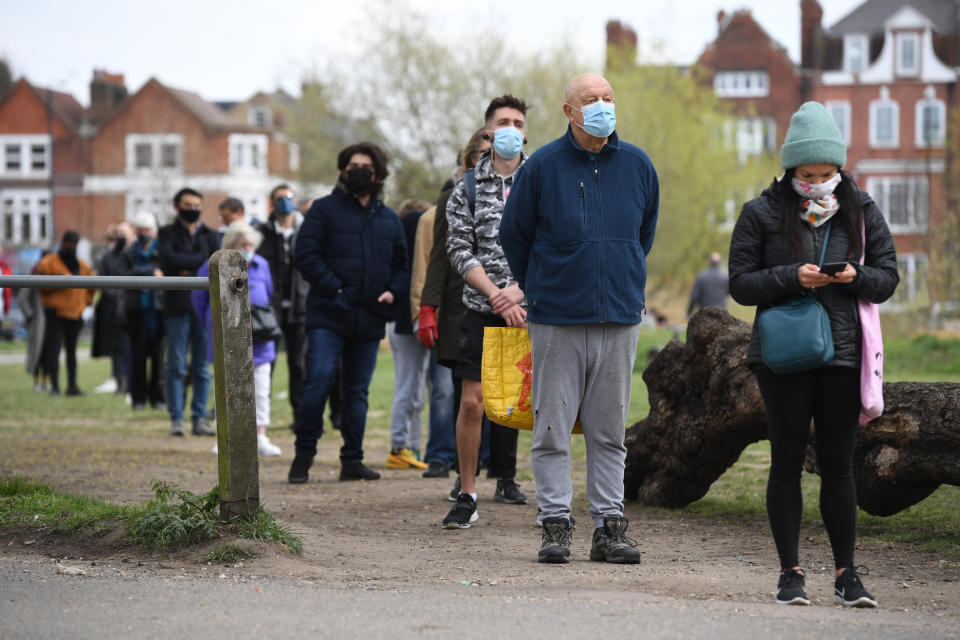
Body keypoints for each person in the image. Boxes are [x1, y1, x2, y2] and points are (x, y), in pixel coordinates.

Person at [728, 101, 899, 608]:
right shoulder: (760, 212)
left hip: (844, 353)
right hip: (783, 355)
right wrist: (791, 276)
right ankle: (790, 574)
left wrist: (855, 277)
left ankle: (847, 574)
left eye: (827, 173)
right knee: (784, 462)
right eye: (808, 174)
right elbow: (740, 283)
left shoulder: (861, 208)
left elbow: (888, 276)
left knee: (838, 465)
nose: (818, 182)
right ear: (790, 170)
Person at [500, 73, 659, 563]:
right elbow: (514, 235)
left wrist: (620, 274)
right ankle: (555, 525)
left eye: (609, 97)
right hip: (556, 320)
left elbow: (643, 233)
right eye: (591, 100)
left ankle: (610, 527)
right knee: (551, 428)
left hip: (619, 317)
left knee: (609, 430)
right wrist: (544, 284)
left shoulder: (637, 165)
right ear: (570, 111)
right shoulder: (543, 166)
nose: (602, 106)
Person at [288, 141, 408, 483]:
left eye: (366, 168)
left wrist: (392, 292)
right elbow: (306, 255)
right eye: (352, 165)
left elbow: (402, 264)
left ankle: (352, 460)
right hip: (329, 314)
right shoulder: (323, 210)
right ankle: (304, 455)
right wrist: (335, 288)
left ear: (378, 175)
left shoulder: (388, 218)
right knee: (319, 380)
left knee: (358, 392)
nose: (358, 172)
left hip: (370, 317)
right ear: (342, 171)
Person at [441, 95, 531, 530]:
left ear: (526, 131)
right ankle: (468, 493)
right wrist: (497, 295)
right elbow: (459, 248)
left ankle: (552, 501)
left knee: (540, 405)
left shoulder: (543, 179)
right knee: (473, 403)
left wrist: (519, 293)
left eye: (517, 121)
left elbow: (557, 245)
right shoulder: (467, 188)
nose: (510, 127)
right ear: (488, 132)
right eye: (503, 121)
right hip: (482, 310)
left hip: (534, 312)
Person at [417, 131, 490, 480]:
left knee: (493, 394)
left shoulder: (522, 191)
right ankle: (443, 458)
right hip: (459, 309)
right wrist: (427, 307)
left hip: (506, 306)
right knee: (453, 392)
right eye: (481, 154)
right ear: (469, 159)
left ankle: (493, 466)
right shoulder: (455, 196)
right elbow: (440, 258)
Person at [193, 221, 282, 457]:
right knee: (226, 390)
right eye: (243, 244)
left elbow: (269, 293)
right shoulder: (212, 265)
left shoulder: (262, 265)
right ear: (230, 245)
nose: (248, 249)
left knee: (261, 390)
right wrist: (214, 327)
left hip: (260, 339)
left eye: (251, 244)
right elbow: (200, 300)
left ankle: (260, 435)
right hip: (226, 339)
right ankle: (223, 439)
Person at [158, 187, 221, 436]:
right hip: (176, 306)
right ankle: (177, 418)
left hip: (204, 308)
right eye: (188, 204)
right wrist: (197, 264)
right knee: (175, 363)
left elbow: (212, 260)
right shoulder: (166, 233)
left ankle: (199, 417)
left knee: (202, 366)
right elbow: (168, 260)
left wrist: (189, 266)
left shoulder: (211, 234)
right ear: (177, 206)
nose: (193, 209)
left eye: (197, 204)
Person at [256, 184, 309, 430]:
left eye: (289, 198)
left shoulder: (307, 230)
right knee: (267, 363)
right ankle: (260, 419)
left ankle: (300, 416)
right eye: (280, 198)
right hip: (270, 309)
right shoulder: (261, 234)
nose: (285, 203)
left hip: (300, 307)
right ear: (271, 202)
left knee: (299, 364)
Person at [386, 198, 433, 470]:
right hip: (406, 326)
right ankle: (400, 445)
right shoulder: (409, 251)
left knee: (415, 390)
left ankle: (412, 445)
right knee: (408, 387)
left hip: (407, 324)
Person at [36, 231, 96, 396]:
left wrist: (86, 303)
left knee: (72, 352)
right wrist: (60, 279)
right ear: (62, 243)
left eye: (74, 245)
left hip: (75, 313)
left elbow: (92, 286)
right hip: (56, 312)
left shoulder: (81, 265)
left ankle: (72, 386)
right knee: (53, 351)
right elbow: (40, 285)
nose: (71, 248)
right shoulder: (49, 262)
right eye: (69, 244)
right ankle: (54, 386)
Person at [123, 212, 165, 411]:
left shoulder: (162, 251)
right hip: (135, 309)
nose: (143, 233)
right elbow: (123, 276)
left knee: (158, 357)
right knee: (137, 355)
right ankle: (138, 398)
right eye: (140, 230)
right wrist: (150, 273)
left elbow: (166, 274)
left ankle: (156, 397)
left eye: (146, 230)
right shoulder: (128, 253)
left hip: (157, 310)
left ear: (153, 232)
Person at [92, 221, 135, 395]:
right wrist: (117, 295)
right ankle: (119, 382)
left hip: (132, 305)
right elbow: (103, 280)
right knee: (117, 349)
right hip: (114, 308)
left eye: (124, 232)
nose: (121, 236)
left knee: (133, 348)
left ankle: (133, 384)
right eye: (118, 233)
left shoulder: (136, 254)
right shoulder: (108, 257)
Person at [19, 250, 50, 391]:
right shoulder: (34, 275)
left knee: (48, 354)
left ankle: (46, 381)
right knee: (37, 353)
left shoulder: (53, 275)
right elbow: (23, 297)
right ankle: (37, 382)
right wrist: (30, 315)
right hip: (37, 322)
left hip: (50, 320)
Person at [687, 252, 729, 318]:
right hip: (721, 315)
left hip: (705, 314)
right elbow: (729, 293)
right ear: (719, 263)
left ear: (709, 262)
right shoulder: (725, 277)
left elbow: (694, 296)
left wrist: (689, 312)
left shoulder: (701, 276)